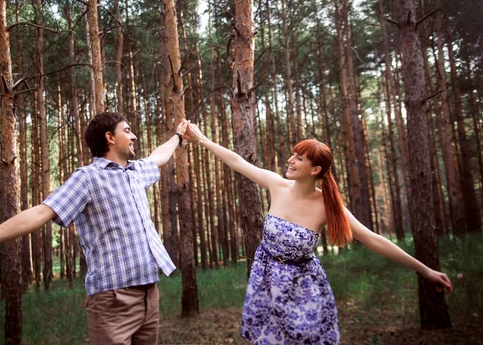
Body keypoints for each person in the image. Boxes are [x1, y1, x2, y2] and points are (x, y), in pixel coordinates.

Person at [183, 124, 452, 345]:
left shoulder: (328, 207)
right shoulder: (277, 185)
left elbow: (374, 239)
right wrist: (202, 139)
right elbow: (236, 161)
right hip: (266, 281)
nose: (291, 160)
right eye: (293, 154)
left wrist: (425, 270)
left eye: (300, 158)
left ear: (315, 170)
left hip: (304, 289)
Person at [0, 112, 189, 345]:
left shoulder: (135, 172)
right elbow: (41, 212)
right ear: (109, 137)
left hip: (149, 294)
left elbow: (159, 156)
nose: (133, 136)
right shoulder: (88, 178)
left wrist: (178, 135)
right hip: (113, 300)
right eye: (127, 130)